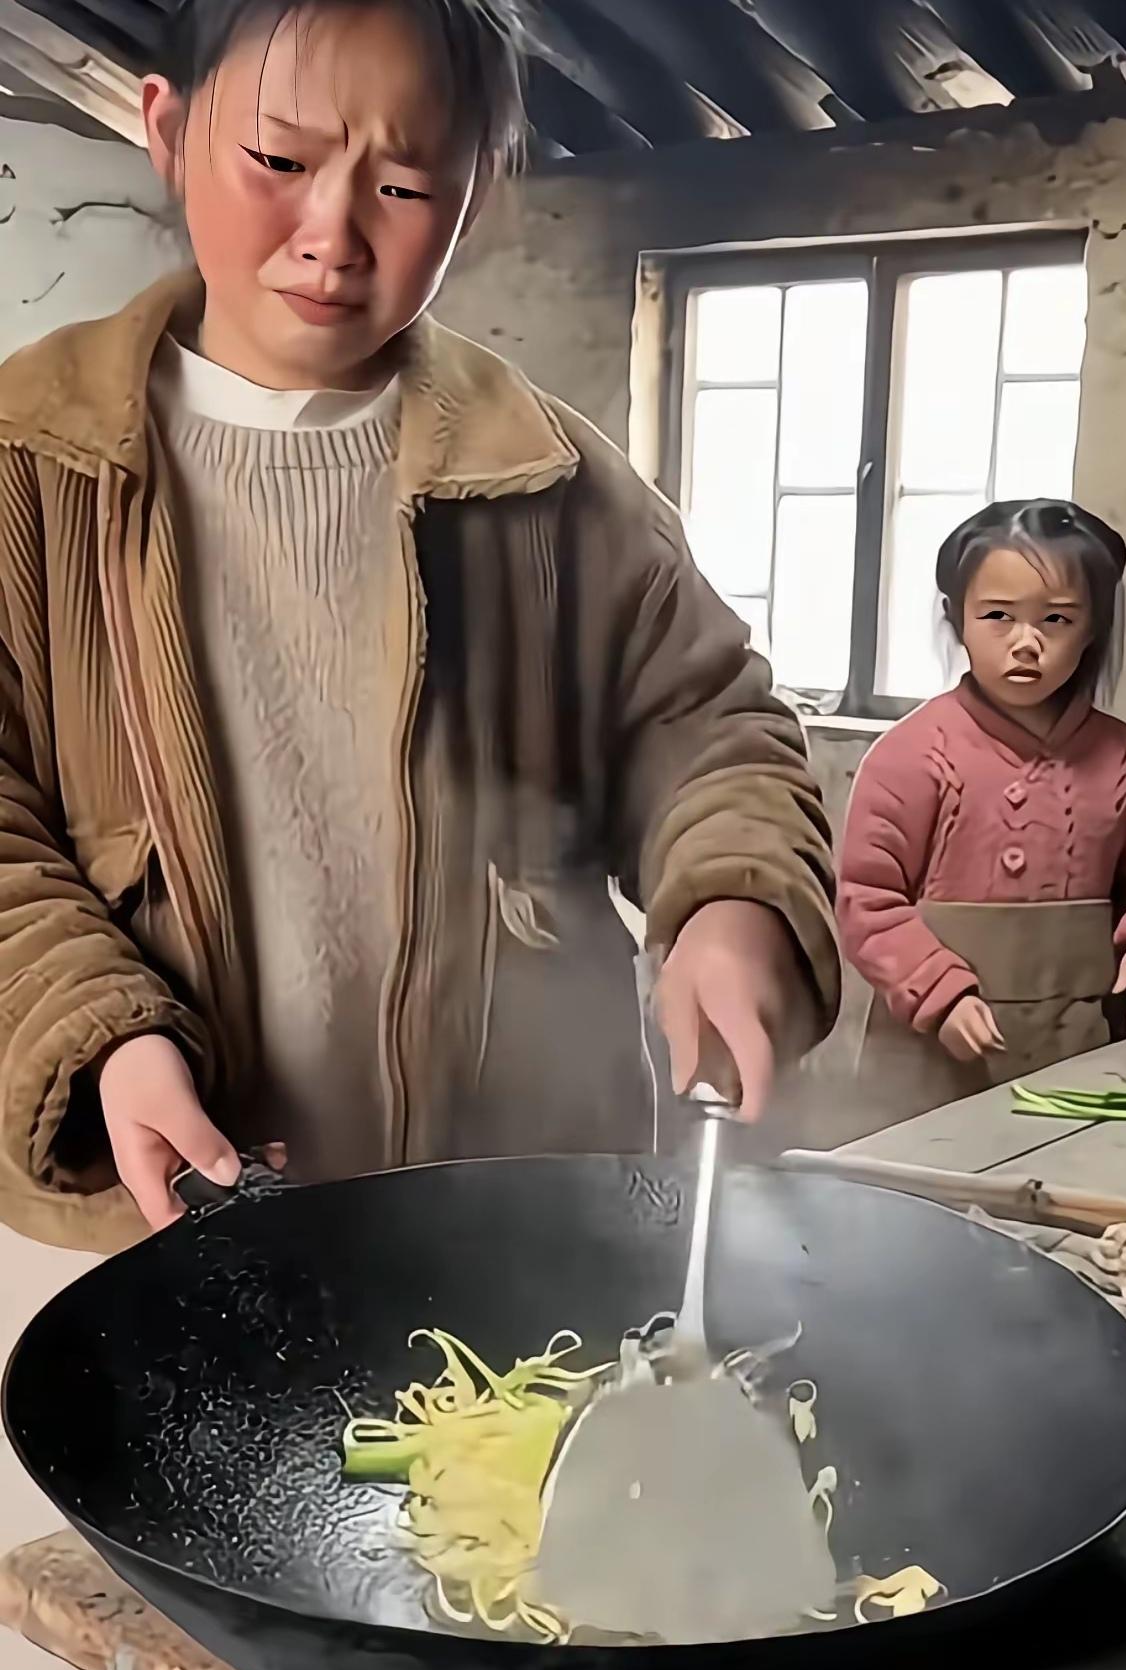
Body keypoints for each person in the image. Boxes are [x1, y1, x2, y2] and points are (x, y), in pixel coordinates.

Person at [0, 0, 839, 1251]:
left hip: (512, 1212)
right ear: (167, 133)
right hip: (164, 1232)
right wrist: (100, 1033)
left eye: (401, 184)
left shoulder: (550, 479)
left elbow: (709, 725)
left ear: (477, 194)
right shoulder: (34, 463)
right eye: (278, 163)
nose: (332, 235)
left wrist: (734, 897)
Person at [836, 499, 1126, 1128]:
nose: (1026, 643)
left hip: (1078, 1054)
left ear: (1091, 630)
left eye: (1056, 619)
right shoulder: (910, 758)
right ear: (957, 620)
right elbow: (868, 899)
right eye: (998, 616)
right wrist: (940, 994)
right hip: (930, 1059)